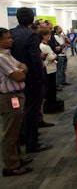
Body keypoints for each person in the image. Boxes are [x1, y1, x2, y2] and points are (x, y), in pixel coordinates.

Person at [10, 7, 53, 153]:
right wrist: (41, 77)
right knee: (32, 110)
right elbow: (35, 59)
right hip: (32, 78)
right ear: (32, 18)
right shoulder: (31, 35)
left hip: (15, 77)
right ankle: (32, 143)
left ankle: (23, 137)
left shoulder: (12, 33)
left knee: (21, 109)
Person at [0, 28, 33, 177]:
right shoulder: (1, 58)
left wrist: (20, 69)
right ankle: (11, 165)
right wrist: (20, 70)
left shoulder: (7, 55)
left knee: (16, 129)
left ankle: (17, 158)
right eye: (7, 38)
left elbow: (23, 66)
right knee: (10, 132)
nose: (11, 40)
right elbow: (19, 75)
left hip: (16, 96)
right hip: (8, 97)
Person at [38, 28, 64, 114]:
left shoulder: (46, 45)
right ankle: (49, 107)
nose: (50, 36)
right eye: (48, 35)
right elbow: (52, 57)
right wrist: (55, 55)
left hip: (51, 68)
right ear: (43, 36)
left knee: (51, 90)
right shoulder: (44, 46)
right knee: (50, 90)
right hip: (49, 70)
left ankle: (51, 106)